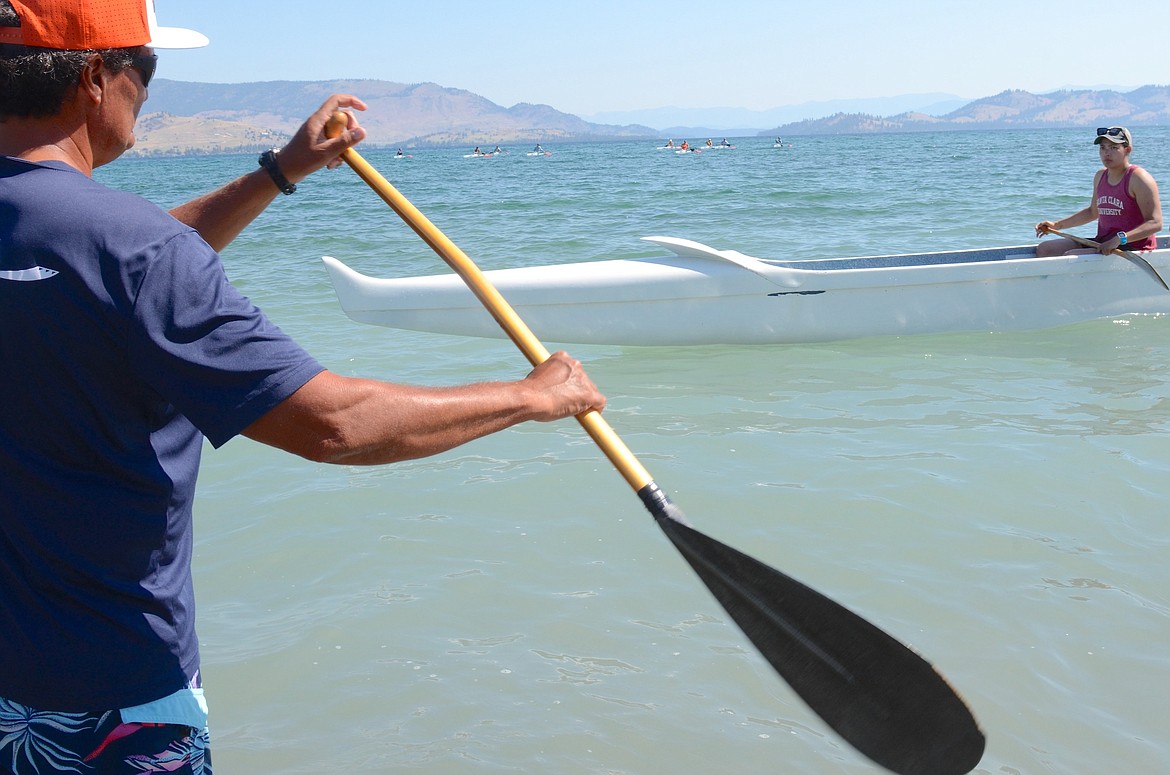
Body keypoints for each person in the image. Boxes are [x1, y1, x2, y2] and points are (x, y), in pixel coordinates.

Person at [0, 1, 605, 773]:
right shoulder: (133, 250)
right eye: (145, 69)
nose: (149, 93)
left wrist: (278, 172)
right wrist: (533, 396)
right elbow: (334, 424)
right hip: (115, 697)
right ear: (93, 77)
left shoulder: (111, 247)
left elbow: (115, 266)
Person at [1035, 126, 1163, 257]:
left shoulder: (1139, 178)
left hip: (1133, 247)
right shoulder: (1100, 176)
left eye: (1114, 147)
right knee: (1045, 249)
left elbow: (1155, 223)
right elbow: (1092, 212)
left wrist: (1120, 239)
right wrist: (1056, 225)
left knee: (1071, 256)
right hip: (1103, 243)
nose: (1107, 153)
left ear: (1127, 150)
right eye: (1103, 148)